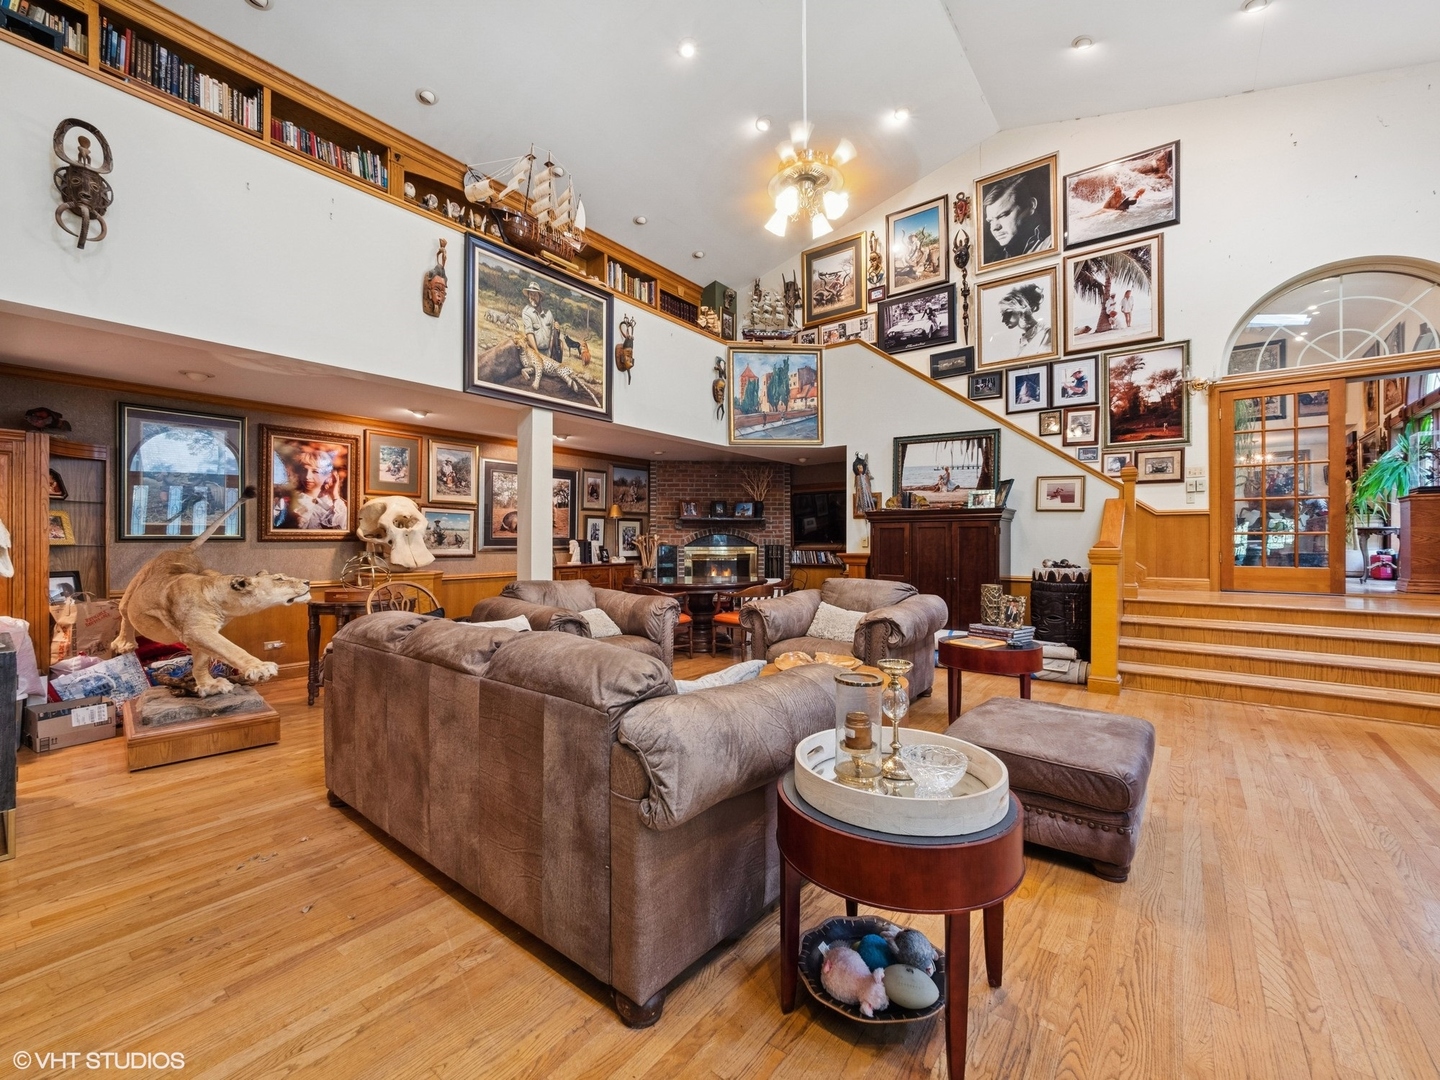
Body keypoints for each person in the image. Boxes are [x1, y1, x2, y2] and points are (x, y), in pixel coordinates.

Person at [981, 169, 1051, 264]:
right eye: (990, 221)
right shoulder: (997, 259)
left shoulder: (1051, 243)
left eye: (1003, 215)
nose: (994, 228)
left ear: (1031, 206)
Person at [279, 446, 348, 531]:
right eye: (304, 470)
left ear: (328, 474)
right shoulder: (289, 501)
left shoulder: (335, 504)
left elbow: (343, 529)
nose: (307, 476)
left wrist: (334, 495)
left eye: (315, 471)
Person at [998, 283, 1052, 356]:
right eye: (1002, 315)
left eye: (1007, 313)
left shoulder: (1047, 334)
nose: (1003, 320)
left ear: (1021, 307)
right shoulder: (1019, 343)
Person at [521, 282, 560, 363]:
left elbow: (553, 334)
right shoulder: (526, 312)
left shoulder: (548, 313)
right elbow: (529, 333)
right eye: (530, 295)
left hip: (548, 352)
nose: (532, 297)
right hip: (533, 352)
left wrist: (557, 328)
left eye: (535, 295)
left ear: (540, 297)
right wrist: (537, 354)